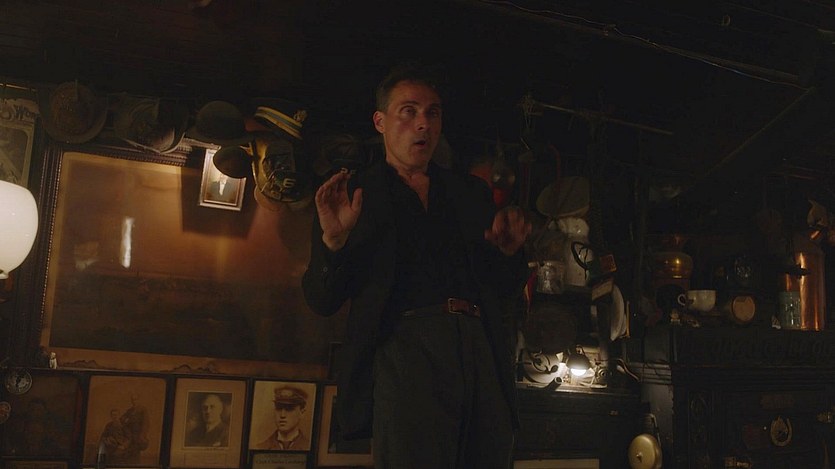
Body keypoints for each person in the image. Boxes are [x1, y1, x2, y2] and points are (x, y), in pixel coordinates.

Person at [302, 63, 531, 468]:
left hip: (478, 342)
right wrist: (333, 243)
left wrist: (510, 253)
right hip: (405, 347)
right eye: (408, 112)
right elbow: (322, 300)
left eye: (432, 113)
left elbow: (502, 287)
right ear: (380, 122)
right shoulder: (355, 193)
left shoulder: (469, 192)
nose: (423, 124)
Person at [254, 385, 311, 450]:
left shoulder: (308, 447)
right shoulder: (261, 447)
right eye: (279, 408)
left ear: (302, 413)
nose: (282, 415)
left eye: (289, 409)